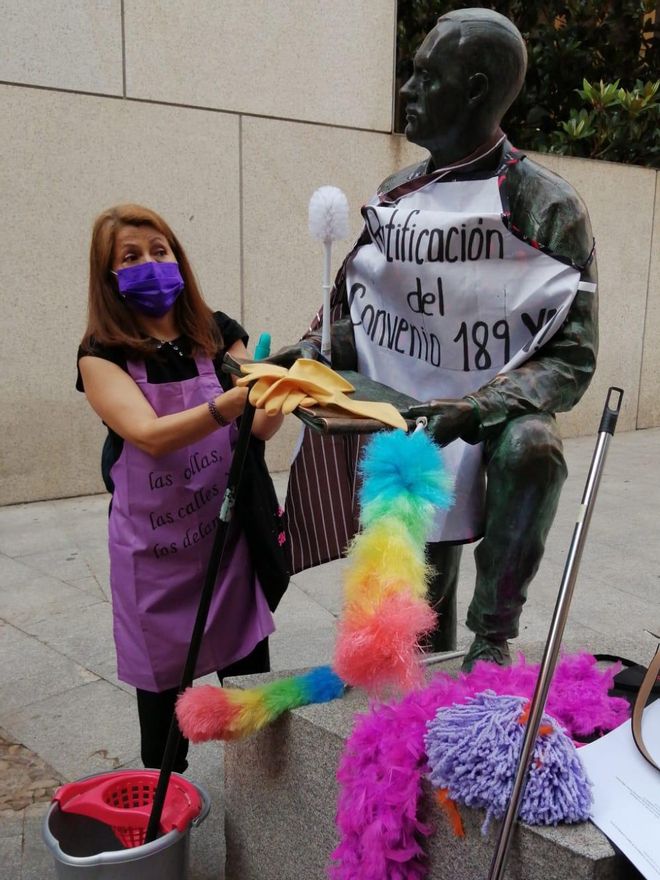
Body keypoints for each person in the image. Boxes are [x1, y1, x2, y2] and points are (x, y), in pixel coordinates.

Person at [284, 8, 598, 670]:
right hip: (411, 415)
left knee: (533, 447)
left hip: (491, 418)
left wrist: (479, 408)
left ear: (478, 88)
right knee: (416, 607)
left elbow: (571, 357)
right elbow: (376, 320)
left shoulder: (546, 207)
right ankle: (414, 650)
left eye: (427, 77)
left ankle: (492, 636)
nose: (407, 92)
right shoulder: (398, 196)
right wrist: (313, 351)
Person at [77, 203, 287, 772]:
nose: (150, 263)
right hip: (154, 562)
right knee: (164, 725)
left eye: (159, 250)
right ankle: (167, 804)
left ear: (178, 257)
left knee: (249, 699)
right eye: (131, 256)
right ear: (110, 277)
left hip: (225, 550)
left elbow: (259, 428)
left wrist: (276, 390)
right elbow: (147, 436)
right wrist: (230, 401)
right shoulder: (102, 356)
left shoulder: (218, 334)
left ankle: (262, 804)